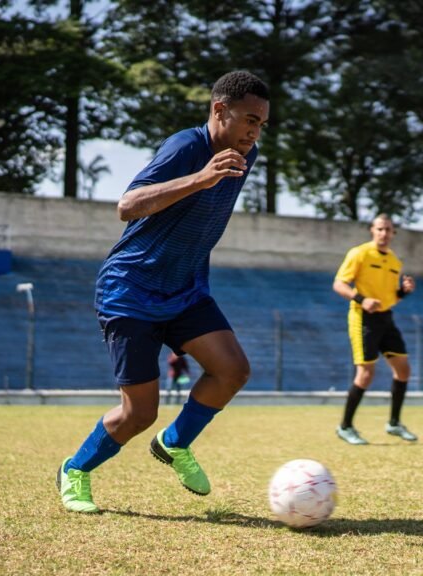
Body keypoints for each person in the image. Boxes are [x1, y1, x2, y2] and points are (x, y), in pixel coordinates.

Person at [57, 71, 269, 513]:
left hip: (186, 289)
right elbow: (127, 206)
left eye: (261, 124)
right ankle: (75, 469)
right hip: (131, 290)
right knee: (138, 414)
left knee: (232, 370)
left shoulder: (243, 157)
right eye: (249, 119)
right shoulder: (187, 148)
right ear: (219, 111)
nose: (254, 131)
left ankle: (174, 444)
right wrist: (199, 178)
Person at [332, 213, 418, 445]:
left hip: (386, 318)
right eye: (380, 229)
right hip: (363, 318)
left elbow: (390, 297)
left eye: (388, 230)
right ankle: (345, 427)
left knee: (403, 369)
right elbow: (339, 284)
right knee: (366, 374)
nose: (384, 233)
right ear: (372, 230)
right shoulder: (359, 253)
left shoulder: (394, 262)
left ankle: (394, 423)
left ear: (393, 233)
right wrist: (361, 299)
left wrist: (403, 292)